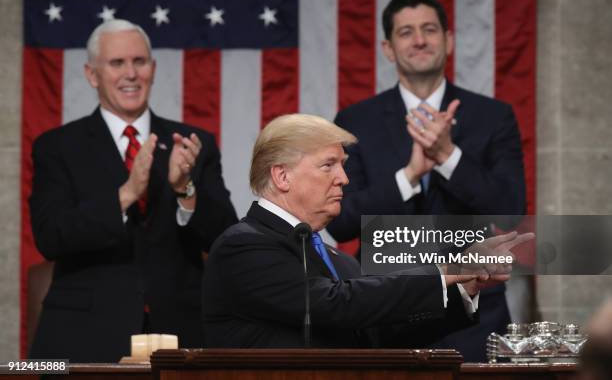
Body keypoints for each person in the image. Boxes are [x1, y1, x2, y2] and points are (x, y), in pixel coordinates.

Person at [202, 113, 524, 348]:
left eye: (342, 165)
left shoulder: (337, 260)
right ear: (282, 177)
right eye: (328, 165)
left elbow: (377, 332)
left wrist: (461, 289)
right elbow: (332, 305)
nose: (344, 178)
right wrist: (443, 272)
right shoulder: (243, 247)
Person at [326, 0, 526, 361]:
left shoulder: (493, 116)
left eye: (429, 29)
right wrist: (410, 175)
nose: (419, 40)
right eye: (406, 32)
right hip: (387, 313)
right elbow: (341, 223)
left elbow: (511, 210)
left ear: (448, 41)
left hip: (475, 316)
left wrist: (448, 155)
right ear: (388, 48)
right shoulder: (355, 121)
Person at [28, 19, 237, 362]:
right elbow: (50, 237)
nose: (131, 74)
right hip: (84, 334)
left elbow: (224, 239)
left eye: (139, 62)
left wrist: (186, 190)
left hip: (180, 331)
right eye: (117, 63)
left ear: (153, 70)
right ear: (92, 74)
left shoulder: (191, 144)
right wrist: (126, 194)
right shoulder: (57, 147)